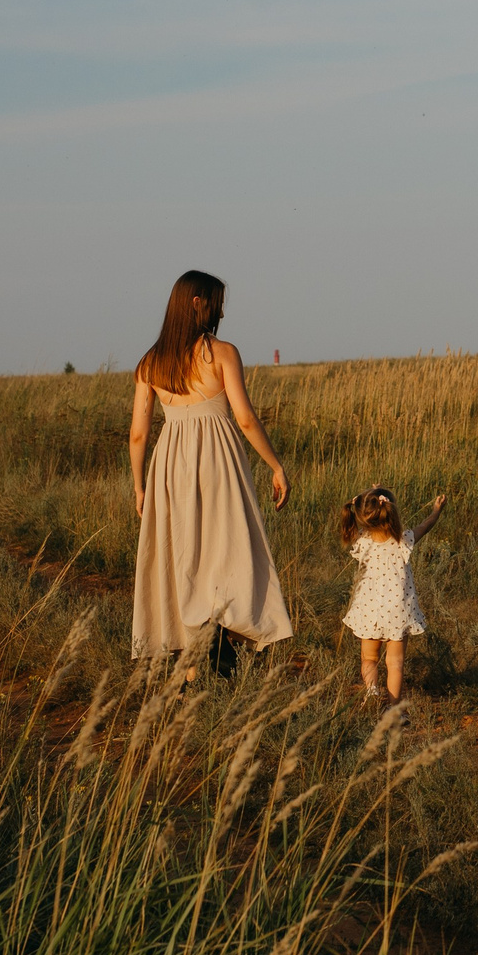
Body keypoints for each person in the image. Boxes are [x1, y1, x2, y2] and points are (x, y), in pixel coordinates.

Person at [127, 270, 295, 682]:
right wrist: (275, 465)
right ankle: (222, 647)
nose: (222, 310)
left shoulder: (150, 362)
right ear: (199, 302)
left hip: (169, 463)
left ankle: (193, 655)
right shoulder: (222, 353)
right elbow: (244, 418)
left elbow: (137, 433)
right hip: (218, 459)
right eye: (218, 301)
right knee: (228, 550)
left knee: (183, 556)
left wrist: (139, 485)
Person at [340, 486, 447, 704]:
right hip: (398, 611)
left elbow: (360, 518)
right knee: (395, 664)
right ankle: (394, 708)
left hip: (369, 610)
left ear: (363, 517)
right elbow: (425, 527)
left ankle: (371, 691)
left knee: (369, 659)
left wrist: (363, 499)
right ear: (389, 509)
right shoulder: (404, 539)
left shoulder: (362, 541)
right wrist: (436, 511)